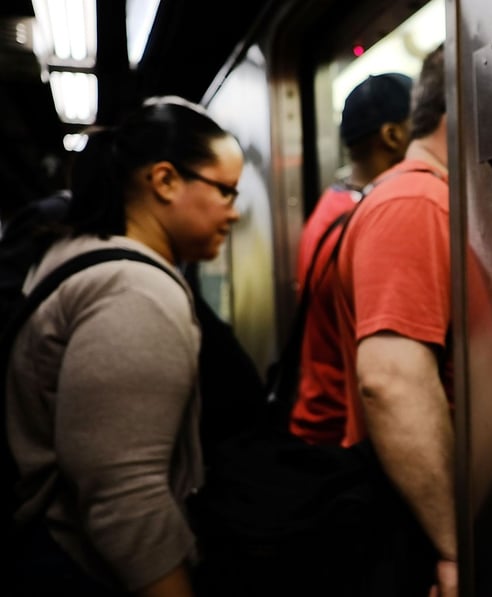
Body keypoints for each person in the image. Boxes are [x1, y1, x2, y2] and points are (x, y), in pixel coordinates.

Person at [5, 96, 243, 595]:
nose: (234, 213)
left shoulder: (77, 248)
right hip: (79, 566)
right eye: (226, 192)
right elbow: (124, 496)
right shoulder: (136, 293)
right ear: (165, 181)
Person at [330, 45, 458, 596]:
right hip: (410, 513)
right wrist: (455, 546)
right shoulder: (415, 202)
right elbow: (390, 381)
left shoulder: (422, 195)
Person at [289, 72, 413, 446]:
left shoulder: (331, 206)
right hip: (341, 432)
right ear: (393, 136)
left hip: (319, 416)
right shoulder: (372, 220)